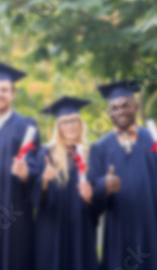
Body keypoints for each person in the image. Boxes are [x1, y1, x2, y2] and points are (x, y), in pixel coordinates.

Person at [89, 79, 157, 270]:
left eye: (125, 105)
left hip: (156, 223)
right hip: (120, 227)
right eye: (114, 108)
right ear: (109, 113)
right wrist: (104, 186)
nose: (120, 111)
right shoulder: (100, 148)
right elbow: (93, 193)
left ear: (136, 107)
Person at [0, 62, 40, 270]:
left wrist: (26, 173)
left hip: (15, 213)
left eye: (4, 90)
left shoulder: (26, 127)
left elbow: (35, 167)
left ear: (12, 94)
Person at [32, 96, 99, 270]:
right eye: (64, 122)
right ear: (59, 127)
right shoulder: (46, 154)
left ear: (79, 124)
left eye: (73, 121)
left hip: (81, 228)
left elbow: (98, 201)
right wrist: (45, 181)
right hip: (53, 227)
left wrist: (91, 198)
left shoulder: (90, 155)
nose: (69, 126)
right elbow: (36, 198)